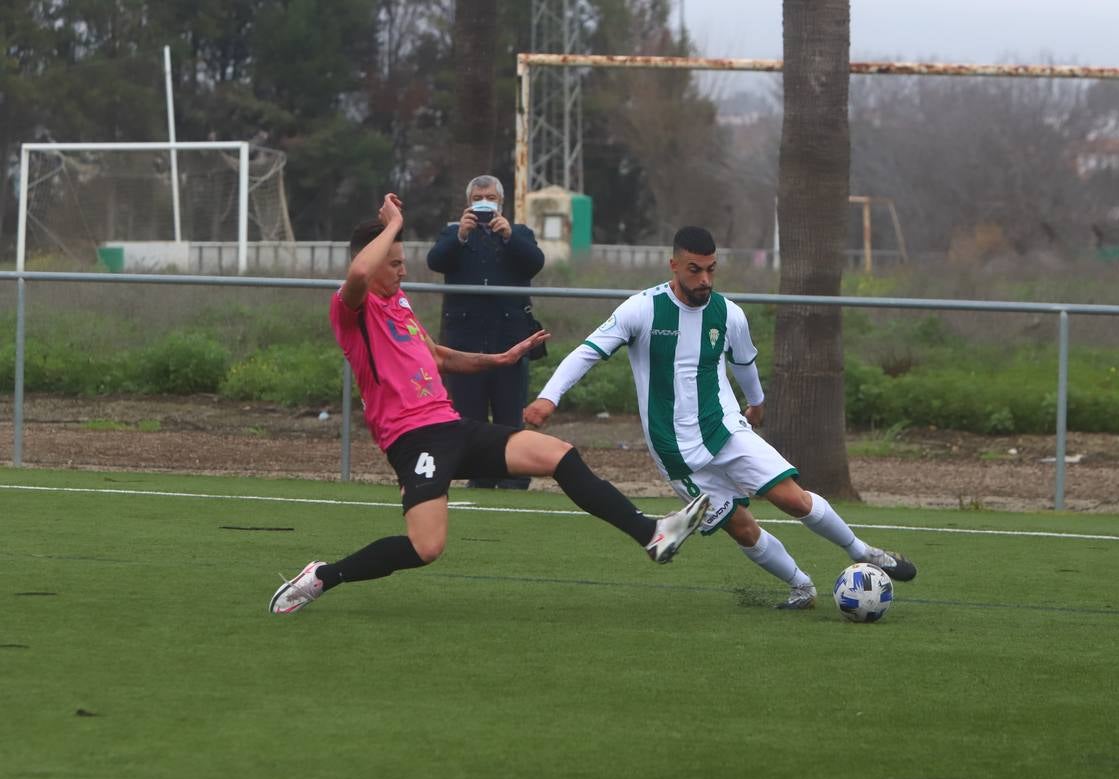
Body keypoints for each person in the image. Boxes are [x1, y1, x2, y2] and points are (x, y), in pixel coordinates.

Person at [269, 195, 709, 615]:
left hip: (452, 426)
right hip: (412, 439)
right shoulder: (352, 308)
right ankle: (325, 576)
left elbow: (437, 355)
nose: (404, 272)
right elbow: (361, 273)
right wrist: (395, 224)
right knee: (427, 548)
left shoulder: (399, 304)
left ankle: (651, 534)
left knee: (558, 455)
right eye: (396, 263)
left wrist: (497, 359)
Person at [523, 226, 916, 610]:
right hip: (674, 450)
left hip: (725, 428)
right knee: (742, 527)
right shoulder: (642, 309)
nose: (705, 279)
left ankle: (864, 551)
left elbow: (744, 362)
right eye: (695, 270)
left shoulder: (729, 314)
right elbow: (587, 352)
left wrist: (757, 401)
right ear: (673, 265)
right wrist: (548, 397)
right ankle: (801, 586)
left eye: (711, 269)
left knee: (791, 499)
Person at [426, 174, 544, 490]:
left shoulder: (519, 233)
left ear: (501, 203)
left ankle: (513, 478)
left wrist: (509, 238)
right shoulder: (453, 233)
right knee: (470, 415)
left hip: (510, 335)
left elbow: (535, 263)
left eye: (491, 198)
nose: (484, 203)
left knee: (509, 414)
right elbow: (435, 261)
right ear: (468, 203)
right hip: (465, 339)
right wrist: (460, 236)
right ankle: (479, 477)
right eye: (479, 197)